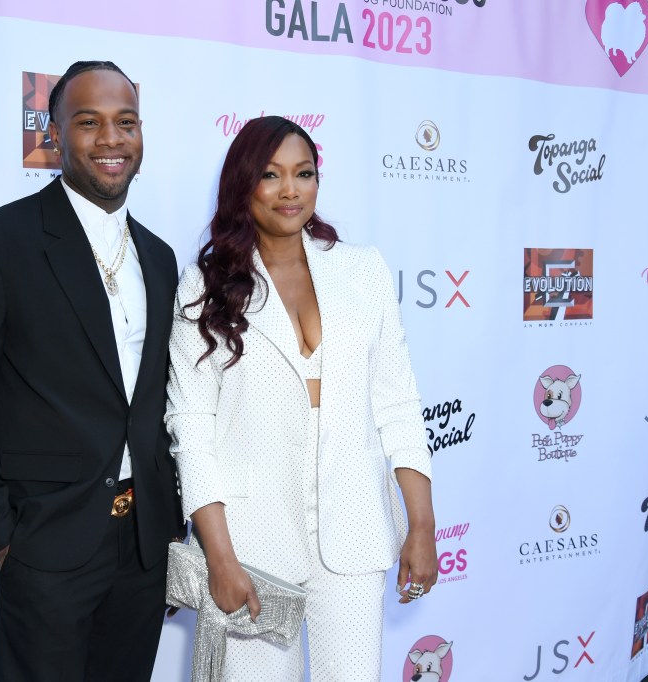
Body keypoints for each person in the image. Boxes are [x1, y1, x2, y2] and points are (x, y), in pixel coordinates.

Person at [0, 60, 183, 682]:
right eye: (89, 122)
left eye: (125, 122)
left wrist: (171, 532)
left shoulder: (160, 256)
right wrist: (2, 537)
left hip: (145, 548)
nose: (111, 139)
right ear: (54, 132)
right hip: (47, 545)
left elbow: (161, 406)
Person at [165, 116, 437, 681]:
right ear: (244, 185)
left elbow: (398, 407)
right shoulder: (205, 285)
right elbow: (190, 427)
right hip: (250, 543)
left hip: (354, 536)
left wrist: (422, 525)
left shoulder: (363, 271)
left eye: (304, 173)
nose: (291, 190)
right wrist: (219, 555)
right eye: (271, 174)